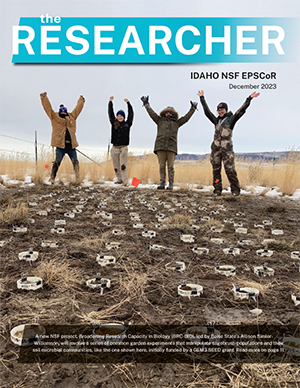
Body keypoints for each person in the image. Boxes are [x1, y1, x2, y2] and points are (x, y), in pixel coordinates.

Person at [197, 90, 260, 196]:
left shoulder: (231, 119)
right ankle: (217, 190)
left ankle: (235, 190)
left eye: (222, 110)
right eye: (218, 110)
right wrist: (202, 98)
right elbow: (207, 112)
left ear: (226, 110)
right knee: (216, 170)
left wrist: (249, 99)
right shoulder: (216, 121)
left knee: (230, 170)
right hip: (216, 150)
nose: (220, 111)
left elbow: (241, 110)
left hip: (227, 150)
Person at [140, 96, 197, 190]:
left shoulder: (177, 123)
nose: (168, 113)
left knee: (171, 167)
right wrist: (146, 104)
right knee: (161, 166)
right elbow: (151, 113)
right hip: (160, 146)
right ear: (164, 113)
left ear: (173, 114)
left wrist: (193, 109)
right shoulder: (159, 121)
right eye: (167, 112)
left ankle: (171, 184)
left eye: (170, 112)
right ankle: (162, 183)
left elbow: (186, 118)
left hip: (171, 147)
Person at [40, 92, 85, 184]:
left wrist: (81, 100)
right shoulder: (54, 117)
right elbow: (47, 108)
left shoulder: (72, 117)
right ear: (59, 111)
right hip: (60, 146)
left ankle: (78, 178)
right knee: (57, 162)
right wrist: (44, 97)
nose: (63, 111)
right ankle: (52, 178)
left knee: (75, 162)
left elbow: (78, 109)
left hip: (71, 145)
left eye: (65, 109)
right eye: (61, 109)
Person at [108, 96, 134, 186]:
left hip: (123, 148)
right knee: (116, 166)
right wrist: (110, 102)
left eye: (121, 116)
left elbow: (131, 114)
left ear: (123, 117)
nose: (119, 117)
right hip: (114, 147)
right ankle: (119, 179)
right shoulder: (113, 123)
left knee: (123, 165)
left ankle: (125, 180)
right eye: (118, 116)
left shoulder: (127, 124)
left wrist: (128, 103)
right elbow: (110, 113)